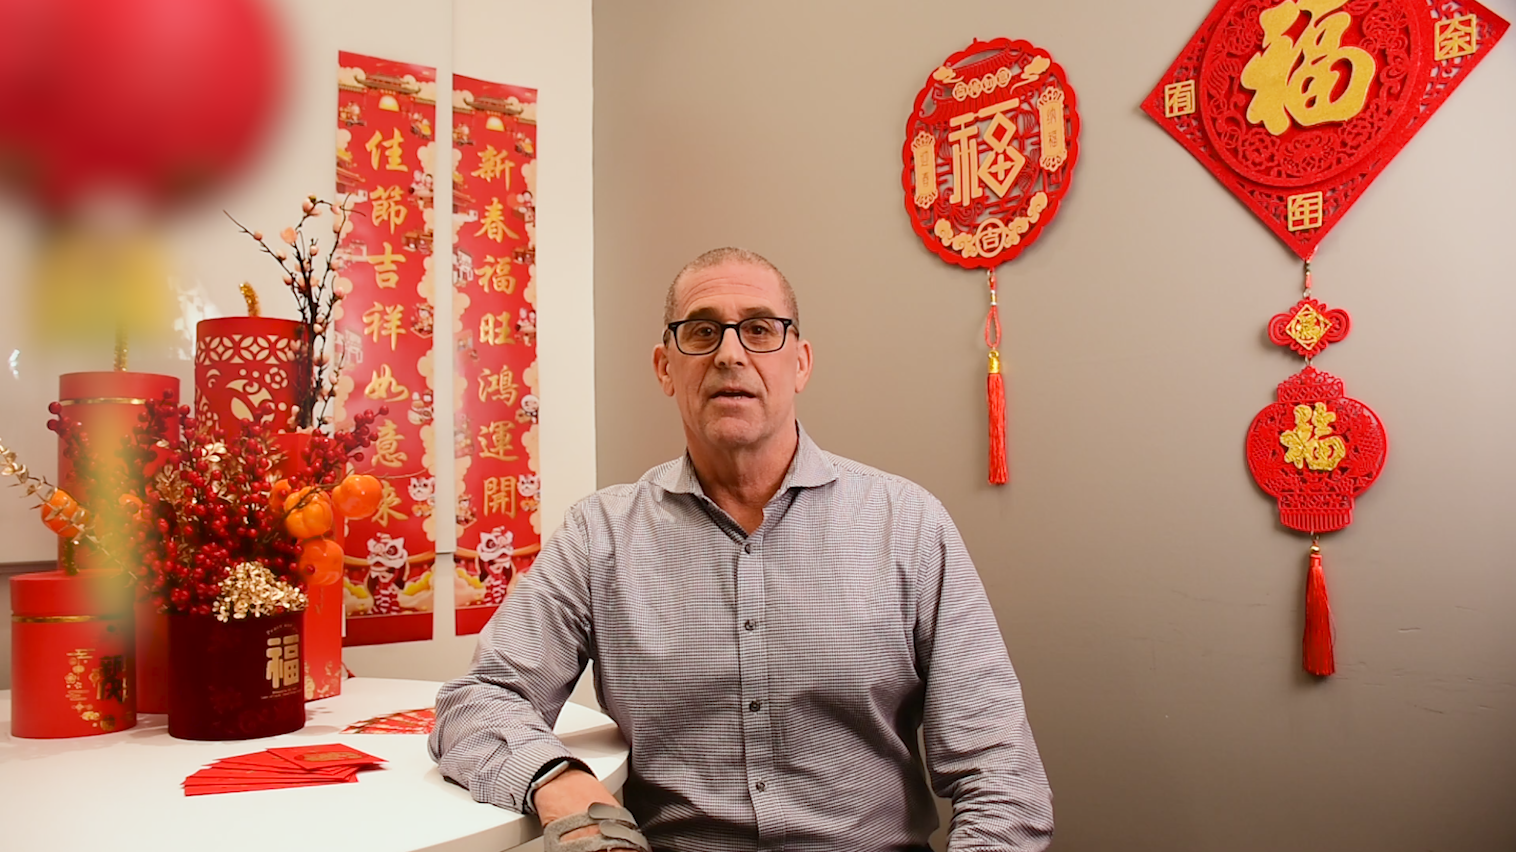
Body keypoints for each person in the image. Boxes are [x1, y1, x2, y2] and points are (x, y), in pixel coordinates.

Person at [430, 248, 1054, 851]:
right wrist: (561, 784)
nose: (730, 354)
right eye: (701, 332)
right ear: (663, 367)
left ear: (801, 363)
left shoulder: (907, 524)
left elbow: (1001, 781)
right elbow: (480, 700)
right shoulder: (601, 533)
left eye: (759, 330)